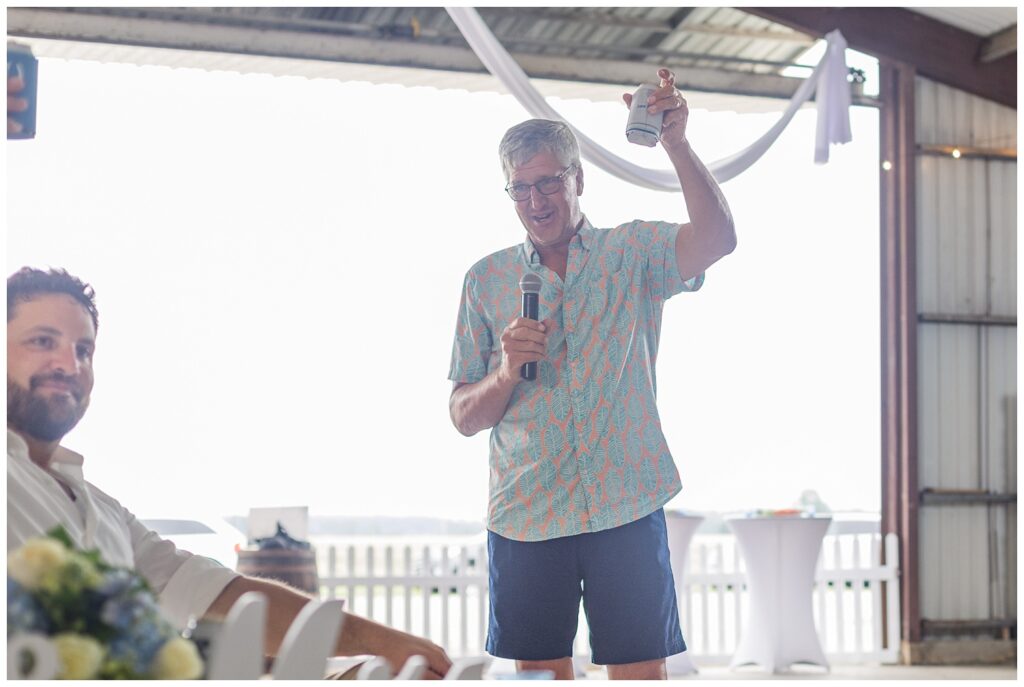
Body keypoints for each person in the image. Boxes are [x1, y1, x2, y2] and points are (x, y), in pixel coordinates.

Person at [7, 267, 452, 678]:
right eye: (42, 342)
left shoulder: (102, 511)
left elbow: (219, 594)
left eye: (83, 349)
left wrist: (381, 648)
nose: (70, 364)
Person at [448, 68, 736, 680]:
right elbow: (462, 417)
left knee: (640, 674)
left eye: (549, 182)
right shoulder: (486, 280)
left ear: (579, 178)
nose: (536, 201)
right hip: (527, 514)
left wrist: (677, 145)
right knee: (541, 678)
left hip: (626, 506)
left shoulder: (631, 255)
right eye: (519, 190)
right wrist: (504, 373)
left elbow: (717, 239)